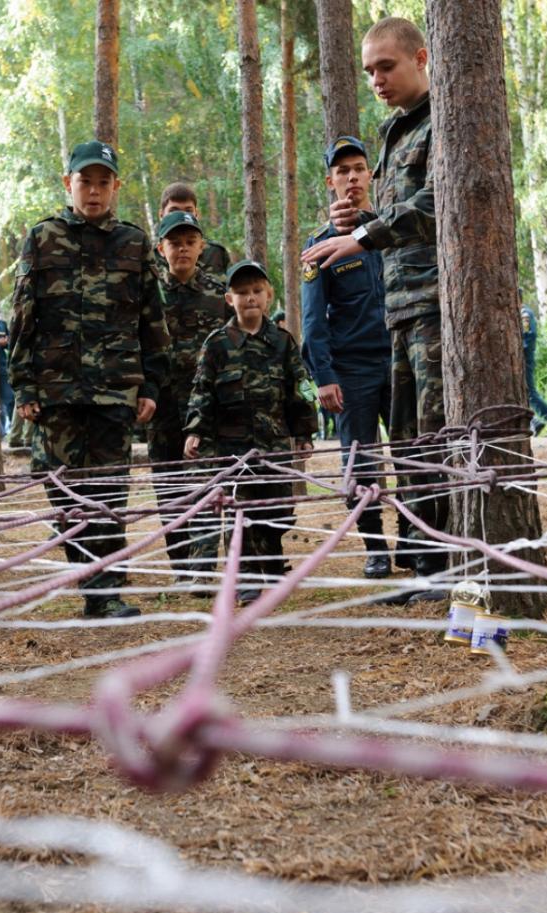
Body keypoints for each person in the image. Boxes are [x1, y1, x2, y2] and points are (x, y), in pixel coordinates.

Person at [300, 17, 447, 603]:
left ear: (421, 57)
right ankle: (427, 566)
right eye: (369, 72)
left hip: (437, 306)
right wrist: (358, 224)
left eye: (386, 67)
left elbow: (436, 203)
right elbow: (395, 216)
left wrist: (362, 235)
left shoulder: (445, 119)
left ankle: (453, 566)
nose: (377, 80)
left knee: (437, 439)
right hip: (399, 314)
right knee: (408, 446)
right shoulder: (392, 133)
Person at [9, 140, 169, 619]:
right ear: (69, 184)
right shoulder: (42, 238)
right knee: (61, 489)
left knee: (109, 491)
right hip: (56, 389)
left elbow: (152, 322)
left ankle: (104, 591)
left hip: (115, 390)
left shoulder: (135, 243)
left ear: (116, 186)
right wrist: (24, 384)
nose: (94, 191)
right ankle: (89, 573)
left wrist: (151, 385)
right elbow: (23, 316)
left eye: (103, 182)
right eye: (86, 182)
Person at [184, 260, 316, 606]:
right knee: (239, 511)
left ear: (268, 295)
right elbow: (202, 390)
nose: (250, 298)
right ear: (230, 299)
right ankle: (244, 579)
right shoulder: (217, 344)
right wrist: (195, 430)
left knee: (277, 510)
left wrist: (304, 432)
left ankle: (271, 565)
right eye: (242, 293)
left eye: (257, 291)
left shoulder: (282, 342)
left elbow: (301, 388)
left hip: (274, 444)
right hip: (232, 444)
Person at [301, 135, 394, 580]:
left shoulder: (390, 231)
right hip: (352, 369)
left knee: (414, 453)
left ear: (370, 174)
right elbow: (312, 319)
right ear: (330, 181)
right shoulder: (320, 246)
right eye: (343, 171)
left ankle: (417, 544)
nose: (352, 177)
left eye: (358, 168)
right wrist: (323, 376)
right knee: (359, 460)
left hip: (400, 360)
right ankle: (376, 547)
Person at [149, 209, 231, 583]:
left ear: (201, 247)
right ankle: (181, 565)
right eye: (174, 243)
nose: (182, 249)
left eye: (189, 242)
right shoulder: (149, 294)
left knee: (206, 482)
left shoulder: (219, 293)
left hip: (206, 408)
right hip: (162, 406)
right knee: (168, 485)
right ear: (160, 249)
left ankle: (202, 566)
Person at [153, 182, 232, 278]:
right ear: (161, 215)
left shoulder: (215, 253)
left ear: (196, 214)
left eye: (188, 211)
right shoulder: (149, 255)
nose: (181, 216)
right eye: (174, 210)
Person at [519, 302, 547, 436]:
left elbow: (529, 336)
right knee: (522, 392)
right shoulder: (521, 313)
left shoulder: (525, 313)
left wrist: (521, 351)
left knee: (530, 393)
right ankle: (534, 422)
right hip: (522, 358)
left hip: (524, 358)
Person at [0, 317, 13, 436]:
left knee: (9, 399)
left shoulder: (1, 324)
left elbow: (10, 343)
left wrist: (6, 342)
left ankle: (9, 430)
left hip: (2, 368)